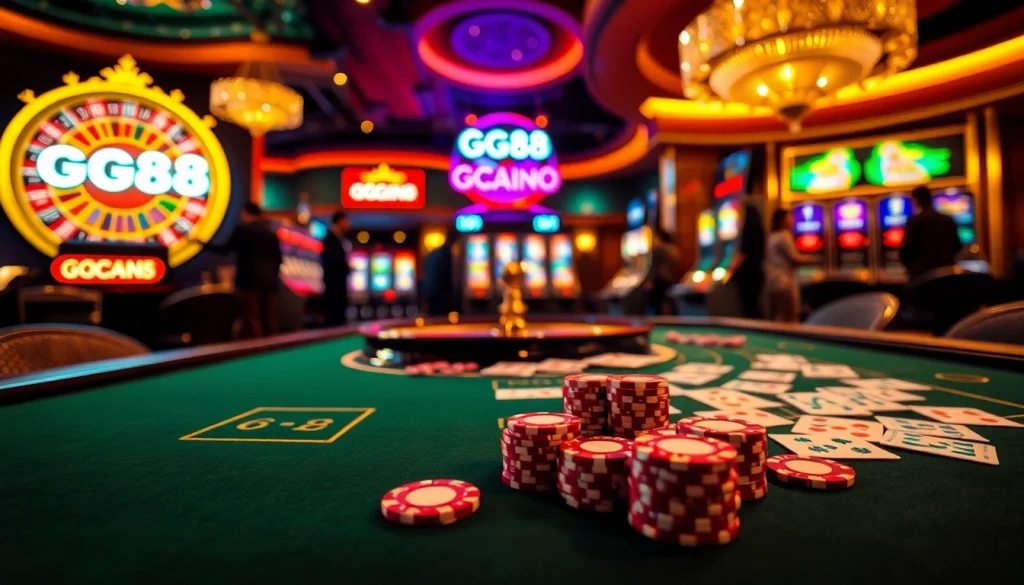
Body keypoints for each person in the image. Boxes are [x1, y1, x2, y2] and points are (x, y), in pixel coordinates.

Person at [197, 202, 282, 338]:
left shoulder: (243, 230)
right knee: (268, 318)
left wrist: (201, 243)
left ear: (246, 213)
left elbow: (224, 250)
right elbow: (279, 260)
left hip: (249, 281)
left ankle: (257, 348)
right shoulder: (271, 234)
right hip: (270, 282)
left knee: (250, 317)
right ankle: (274, 347)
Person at [900, 185, 962, 281]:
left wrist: (911, 267)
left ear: (916, 200)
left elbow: (906, 251)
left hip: (922, 276)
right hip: (946, 273)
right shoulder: (948, 219)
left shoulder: (914, 221)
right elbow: (957, 247)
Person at [764, 208, 814, 322]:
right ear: (782, 220)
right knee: (789, 318)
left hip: (771, 282)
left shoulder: (771, 236)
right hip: (784, 282)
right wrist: (811, 259)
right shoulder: (784, 236)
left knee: (776, 316)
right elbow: (795, 259)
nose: (792, 220)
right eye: (790, 217)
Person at [734, 195, 767, 319]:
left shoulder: (749, 229)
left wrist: (729, 272)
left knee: (751, 310)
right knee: (752, 308)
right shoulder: (757, 228)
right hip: (755, 274)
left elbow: (742, 255)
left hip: (749, 276)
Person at [320, 211, 351, 326]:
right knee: (334, 314)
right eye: (346, 221)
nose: (348, 224)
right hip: (334, 283)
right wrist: (345, 267)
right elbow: (332, 260)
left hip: (337, 282)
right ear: (340, 221)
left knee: (338, 312)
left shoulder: (339, 238)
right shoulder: (331, 237)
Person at [422, 234, 460, 316]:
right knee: (441, 318)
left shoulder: (434, 253)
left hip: (430, 293)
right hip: (439, 294)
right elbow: (446, 277)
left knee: (434, 318)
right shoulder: (445, 253)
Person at [648, 229, 683, 315]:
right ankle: (672, 317)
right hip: (671, 278)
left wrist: (650, 280)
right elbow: (677, 264)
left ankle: (660, 318)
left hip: (660, 278)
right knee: (669, 300)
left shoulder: (659, 249)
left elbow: (652, 266)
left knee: (658, 302)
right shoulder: (675, 249)